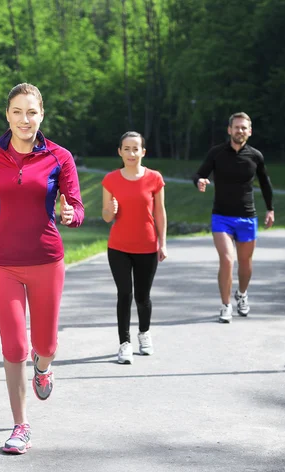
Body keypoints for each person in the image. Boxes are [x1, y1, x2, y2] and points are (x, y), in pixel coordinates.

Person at [0, 83, 84, 454]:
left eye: (31, 112)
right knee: (14, 346)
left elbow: (76, 205)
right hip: (3, 264)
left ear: (41, 115)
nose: (24, 119)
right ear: (7, 115)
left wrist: (72, 215)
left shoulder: (60, 157)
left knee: (45, 345)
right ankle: (21, 426)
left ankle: (43, 367)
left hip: (47, 260)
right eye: (17, 112)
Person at [192, 112, 274, 323]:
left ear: (250, 131)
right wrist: (200, 181)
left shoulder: (255, 156)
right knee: (227, 260)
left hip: (247, 217)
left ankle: (242, 294)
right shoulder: (217, 153)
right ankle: (226, 305)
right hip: (222, 216)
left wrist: (270, 209)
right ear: (229, 130)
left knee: (245, 263)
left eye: (244, 128)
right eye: (236, 127)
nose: (240, 131)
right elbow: (199, 173)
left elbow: (265, 183)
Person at [101, 131, 167, 364]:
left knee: (142, 296)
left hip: (147, 246)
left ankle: (144, 333)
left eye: (135, 148)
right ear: (120, 152)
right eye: (126, 149)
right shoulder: (110, 179)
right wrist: (111, 209)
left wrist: (163, 243)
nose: (131, 153)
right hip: (118, 247)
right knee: (124, 294)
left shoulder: (155, 178)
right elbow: (107, 217)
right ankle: (124, 343)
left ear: (143, 152)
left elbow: (159, 212)